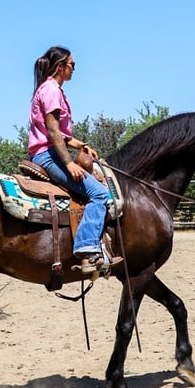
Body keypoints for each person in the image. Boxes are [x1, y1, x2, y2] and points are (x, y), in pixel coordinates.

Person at [28, 46, 122, 274]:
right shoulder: (51, 90)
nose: (74, 69)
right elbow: (52, 130)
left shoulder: (51, 89)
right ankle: (87, 249)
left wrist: (78, 144)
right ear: (60, 66)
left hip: (48, 151)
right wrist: (69, 163)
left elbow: (59, 132)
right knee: (99, 193)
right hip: (48, 156)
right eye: (72, 64)